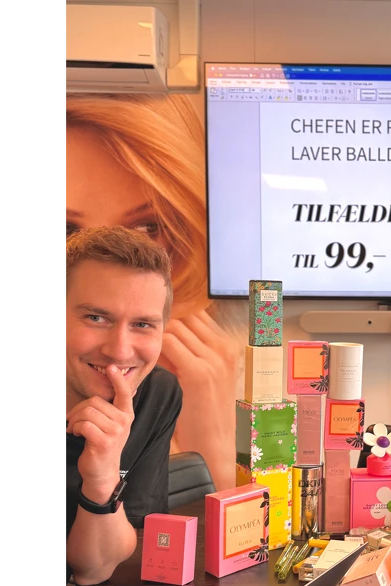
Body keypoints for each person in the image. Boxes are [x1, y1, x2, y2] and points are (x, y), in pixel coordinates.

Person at [63, 93, 247, 492]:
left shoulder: (198, 372)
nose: (110, 271)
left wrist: (211, 442)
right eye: (66, 231)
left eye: (147, 228)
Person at [63, 225, 189, 586]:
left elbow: (96, 567)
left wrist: (101, 477)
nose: (119, 350)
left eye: (143, 324)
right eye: (95, 317)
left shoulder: (155, 392)